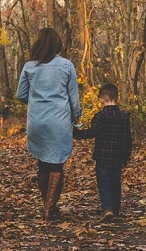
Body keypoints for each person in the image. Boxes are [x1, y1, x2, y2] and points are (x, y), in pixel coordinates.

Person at [16, 27, 81, 221]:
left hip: (37, 120)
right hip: (59, 119)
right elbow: (73, 97)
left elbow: (20, 94)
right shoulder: (66, 65)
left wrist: (36, 101)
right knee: (57, 163)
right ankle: (50, 208)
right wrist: (76, 117)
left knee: (42, 163)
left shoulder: (29, 66)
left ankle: (48, 206)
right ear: (57, 44)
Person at [73, 83, 132, 223]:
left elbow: (93, 132)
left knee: (104, 182)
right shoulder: (124, 117)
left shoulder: (100, 116)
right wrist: (126, 155)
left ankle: (107, 208)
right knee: (115, 183)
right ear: (117, 97)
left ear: (102, 99)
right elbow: (128, 138)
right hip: (118, 156)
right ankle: (116, 209)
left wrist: (76, 133)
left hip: (103, 156)